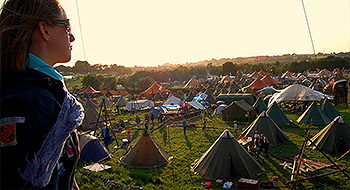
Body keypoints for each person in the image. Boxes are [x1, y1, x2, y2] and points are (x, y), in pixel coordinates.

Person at [0, 0, 83, 189]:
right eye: (67, 26)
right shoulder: (34, 102)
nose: (73, 37)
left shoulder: (32, 89)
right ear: (45, 30)